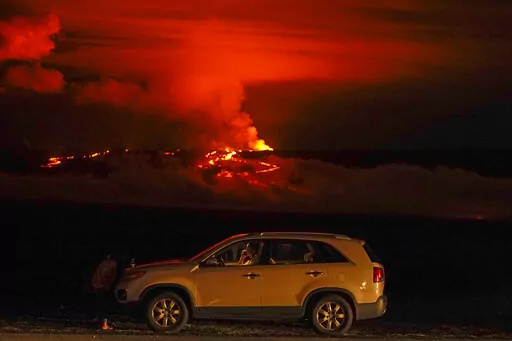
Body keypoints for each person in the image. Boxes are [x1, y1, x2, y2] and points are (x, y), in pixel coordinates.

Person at [91, 254, 118, 330]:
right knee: (105, 305)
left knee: (100, 303)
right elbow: (112, 276)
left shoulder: (103, 262)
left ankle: (97, 319)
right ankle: (104, 324)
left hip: (96, 283)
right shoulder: (113, 264)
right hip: (103, 285)